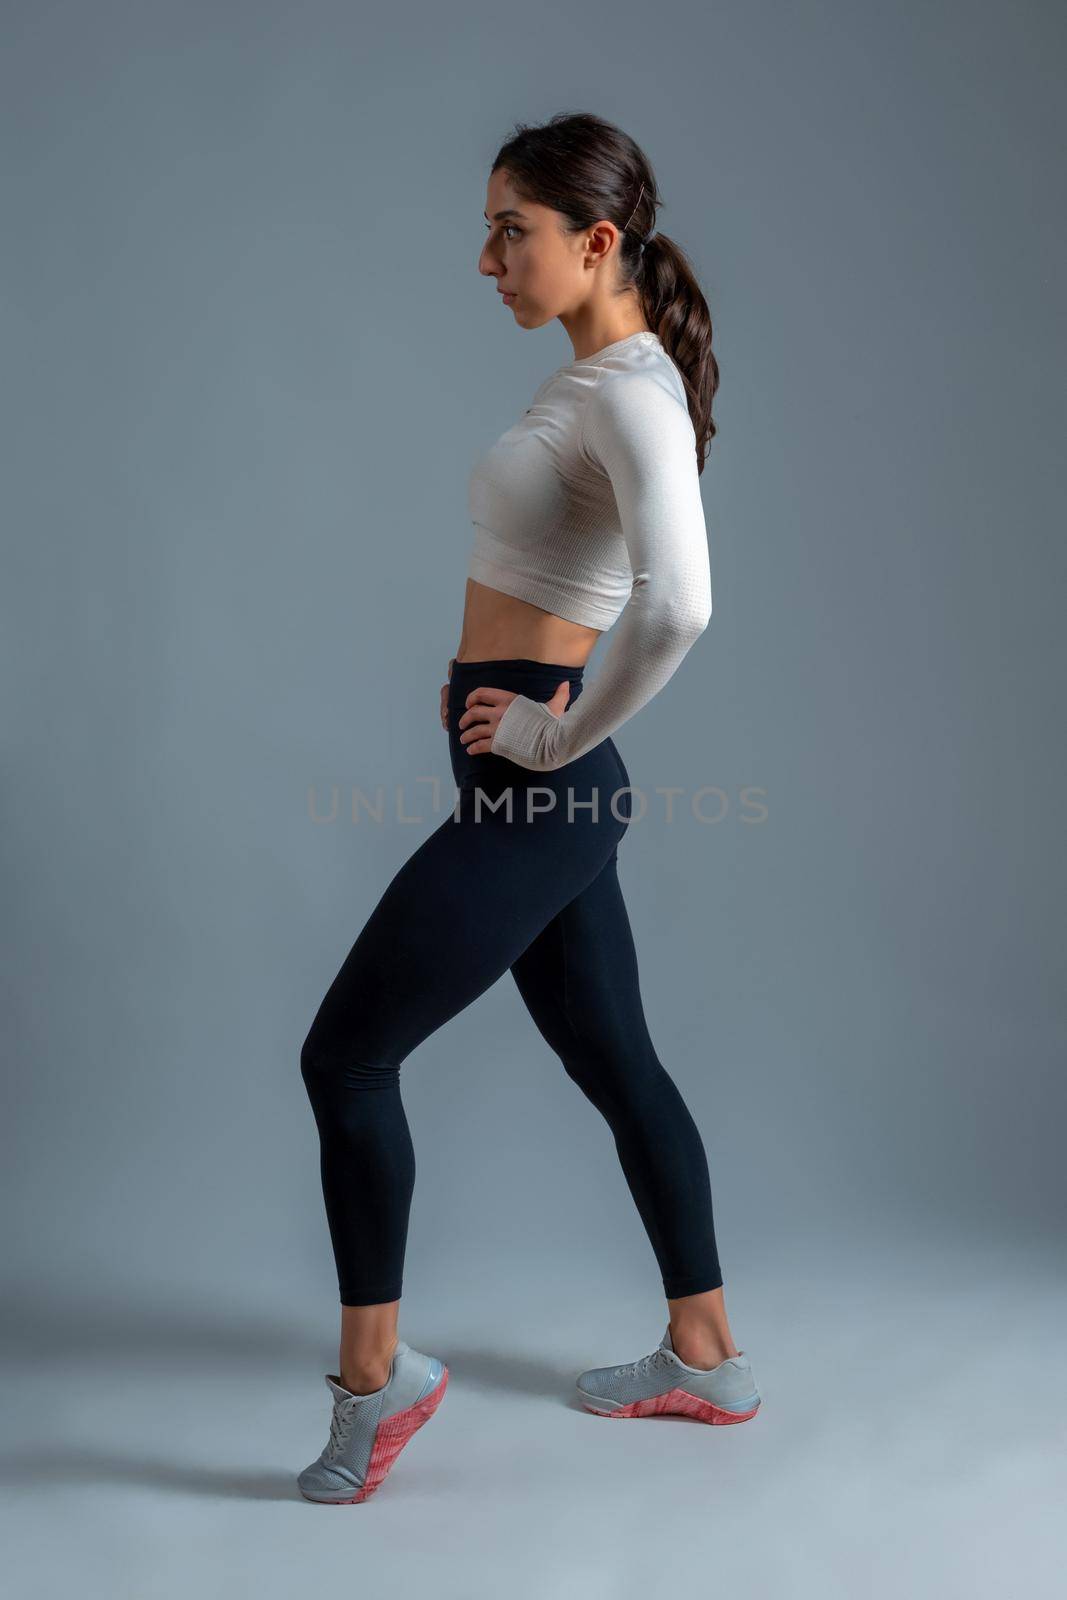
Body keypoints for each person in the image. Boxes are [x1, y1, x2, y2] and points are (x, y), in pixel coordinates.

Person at [296, 112, 761, 1506]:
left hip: (536, 804)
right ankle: (709, 1354)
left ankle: (376, 1392)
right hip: (528, 791)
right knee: (622, 1068)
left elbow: (680, 605)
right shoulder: (603, 380)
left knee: (346, 1061)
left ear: (595, 241)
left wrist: (555, 738)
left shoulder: (628, 393)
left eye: (513, 228)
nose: (487, 256)